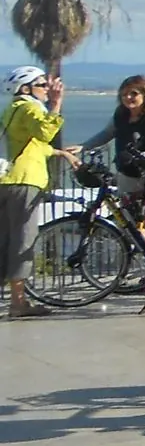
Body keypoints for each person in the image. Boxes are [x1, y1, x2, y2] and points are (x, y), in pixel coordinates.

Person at [71, 76, 145, 253]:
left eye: (133, 94)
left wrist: (137, 156)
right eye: (124, 94)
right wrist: (83, 146)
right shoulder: (120, 116)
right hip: (127, 177)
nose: (128, 98)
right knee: (129, 224)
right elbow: (107, 134)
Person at [2, 66, 75, 318]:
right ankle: (18, 303)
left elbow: (34, 145)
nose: (47, 89)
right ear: (25, 88)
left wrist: (61, 153)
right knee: (23, 242)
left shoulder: (12, 109)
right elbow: (46, 132)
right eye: (42, 85)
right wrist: (56, 104)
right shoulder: (30, 107)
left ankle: (16, 300)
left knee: (7, 240)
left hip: (9, 180)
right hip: (26, 182)